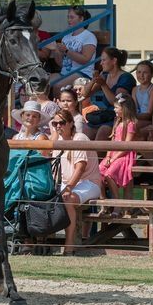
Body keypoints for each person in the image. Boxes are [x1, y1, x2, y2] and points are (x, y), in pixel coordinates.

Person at [49, 108, 101, 255]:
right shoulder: (58, 141)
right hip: (67, 183)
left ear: (71, 123)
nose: (58, 126)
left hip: (89, 182)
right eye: (55, 123)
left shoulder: (79, 138)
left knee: (67, 199)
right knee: (43, 196)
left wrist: (69, 188)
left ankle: (70, 242)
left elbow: (80, 167)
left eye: (62, 122)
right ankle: (39, 242)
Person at [83, 46, 135, 140]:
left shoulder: (126, 77)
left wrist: (103, 85)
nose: (101, 63)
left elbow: (116, 101)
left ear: (114, 61)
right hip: (106, 116)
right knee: (86, 130)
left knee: (103, 131)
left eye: (103, 60)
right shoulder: (105, 76)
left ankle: (100, 155)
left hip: (119, 116)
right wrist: (93, 80)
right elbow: (85, 94)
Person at [98, 94, 138, 216]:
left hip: (124, 154)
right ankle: (103, 203)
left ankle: (117, 204)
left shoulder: (131, 123)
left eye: (116, 108)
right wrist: (109, 156)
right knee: (98, 172)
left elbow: (127, 145)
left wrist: (115, 157)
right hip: (114, 153)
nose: (114, 110)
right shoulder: (117, 122)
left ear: (124, 108)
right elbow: (113, 141)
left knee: (110, 174)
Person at [49, 6, 97, 88]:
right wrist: (56, 50)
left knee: (58, 85)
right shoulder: (66, 36)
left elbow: (85, 60)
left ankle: (57, 101)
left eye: (71, 17)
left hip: (83, 73)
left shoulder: (88, 36)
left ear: (81, 19)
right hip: (65, 73)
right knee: (43, 84)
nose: (68, 20)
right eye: (68, 17)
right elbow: (61, 64)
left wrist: (66, 51)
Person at [132, 60, 153, 131]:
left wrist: (131, 116)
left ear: (152, 74)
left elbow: (149, 114)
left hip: (148, 120)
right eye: (139, 72)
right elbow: (134, 108)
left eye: (145, 72)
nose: (141, 75)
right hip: (137, 118)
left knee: (131, 126)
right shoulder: (134, 89)